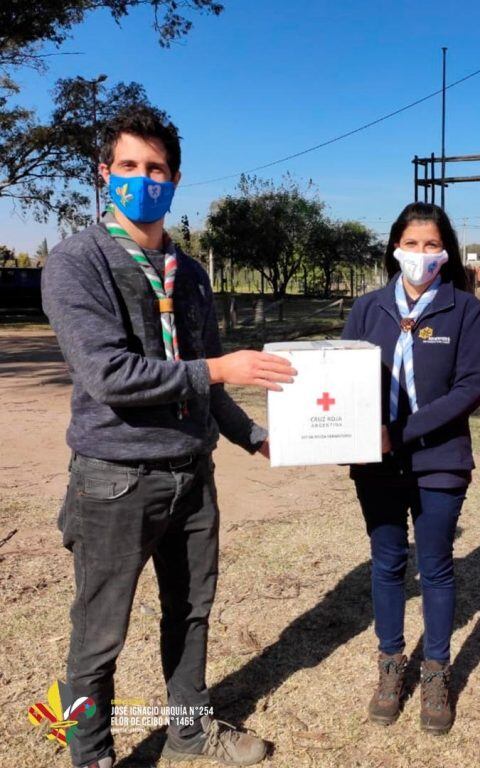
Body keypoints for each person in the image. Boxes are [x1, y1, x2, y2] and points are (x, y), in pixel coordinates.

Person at [41, 106, 296, 768]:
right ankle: (88, 753)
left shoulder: (192, 271)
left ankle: (188, 730)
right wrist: (221, 367)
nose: (142, 179)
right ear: (105, 174)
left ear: (175, 179)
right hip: (114, 480)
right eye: (128, 166)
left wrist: (252, 436)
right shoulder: (78, 262)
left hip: (192, 476)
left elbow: (208, 388)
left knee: (190, 615)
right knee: (96, 637)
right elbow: (109, 376)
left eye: (156, 168)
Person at [340, 202, 480, 734]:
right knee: (386, 563)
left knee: (436, 564)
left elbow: (470, 389)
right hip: (376, 462)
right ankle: (389, 665)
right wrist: (340, 433)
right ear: (394, 249)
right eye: (411, 244)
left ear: (445, 251)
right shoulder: (368, 309)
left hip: (439, 460)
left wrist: (399, 432)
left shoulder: (464, 311)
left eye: (431, 245)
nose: (420, 255)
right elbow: (341, 377)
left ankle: (435, 671)